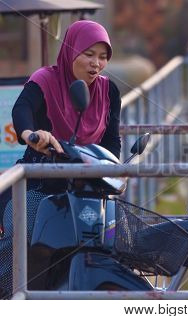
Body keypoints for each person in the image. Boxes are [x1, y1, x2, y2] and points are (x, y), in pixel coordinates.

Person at [0, 20, 121, 298]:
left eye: (103, 57)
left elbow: (112, 142)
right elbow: (22, 111)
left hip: (89, 184)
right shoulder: (45, 79)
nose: (96, 64)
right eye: (88, 54)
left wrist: (115, 170)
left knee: (115, 237)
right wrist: (33, 135)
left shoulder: (108, 91)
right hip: (41, 180)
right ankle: (8, 298)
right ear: (70, 51)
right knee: (20, 231)